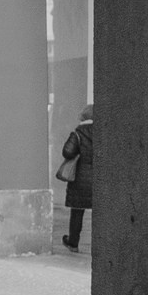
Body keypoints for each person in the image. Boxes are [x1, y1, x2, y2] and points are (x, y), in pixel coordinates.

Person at [59, 103, 94, 252]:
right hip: (99, 181)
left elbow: (67, 152)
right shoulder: (105, 134)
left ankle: (73, 243)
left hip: (80, 180)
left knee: (77, 213)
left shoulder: (78, 134)